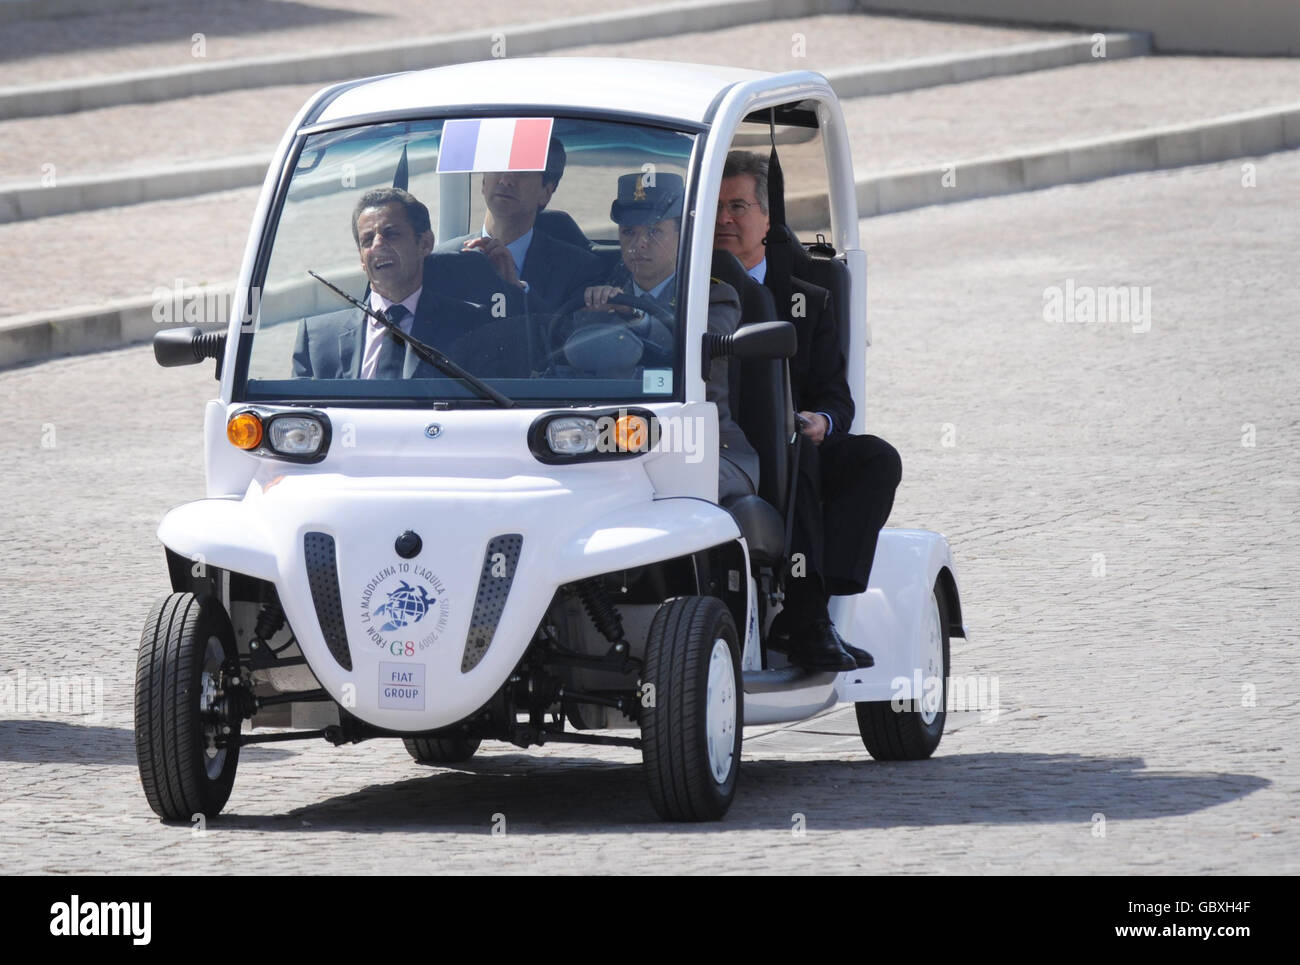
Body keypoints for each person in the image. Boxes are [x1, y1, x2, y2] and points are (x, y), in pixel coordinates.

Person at [716, 150, 903, 672]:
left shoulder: (807, 293)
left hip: (795, 439)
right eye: (715, 207)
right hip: (716, 438)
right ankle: (807, 619)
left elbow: (836, 396)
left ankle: (814, 606)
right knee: (796, 459)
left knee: (873, 460)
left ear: (768, 216)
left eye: (738, 206)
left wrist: (823, 421)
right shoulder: (687, 282)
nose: (725, 220)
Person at [579, 172, 759, 501]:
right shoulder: (598, 294)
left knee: (669, 495)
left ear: (682, 235)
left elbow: (699, 345)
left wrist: (637, 316)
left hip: (702, 445)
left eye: (654, 231)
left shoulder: (714, 296)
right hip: (611, 437)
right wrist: (585, 318)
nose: (639, 244)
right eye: (628, 232)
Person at [292, 187, 485, 379]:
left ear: (425, 243)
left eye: (391, 234)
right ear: (361, 258)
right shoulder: (317, 340)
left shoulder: (471, 326)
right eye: (367, 240)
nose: (377, 245)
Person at [439, 137, 603, 310]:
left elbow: (565, 333)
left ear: (546, 192)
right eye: (498, 167)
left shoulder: (577, 270)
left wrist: (517, 289)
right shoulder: (440, 261)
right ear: (483, 181)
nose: (506, 180)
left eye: (522, 171)